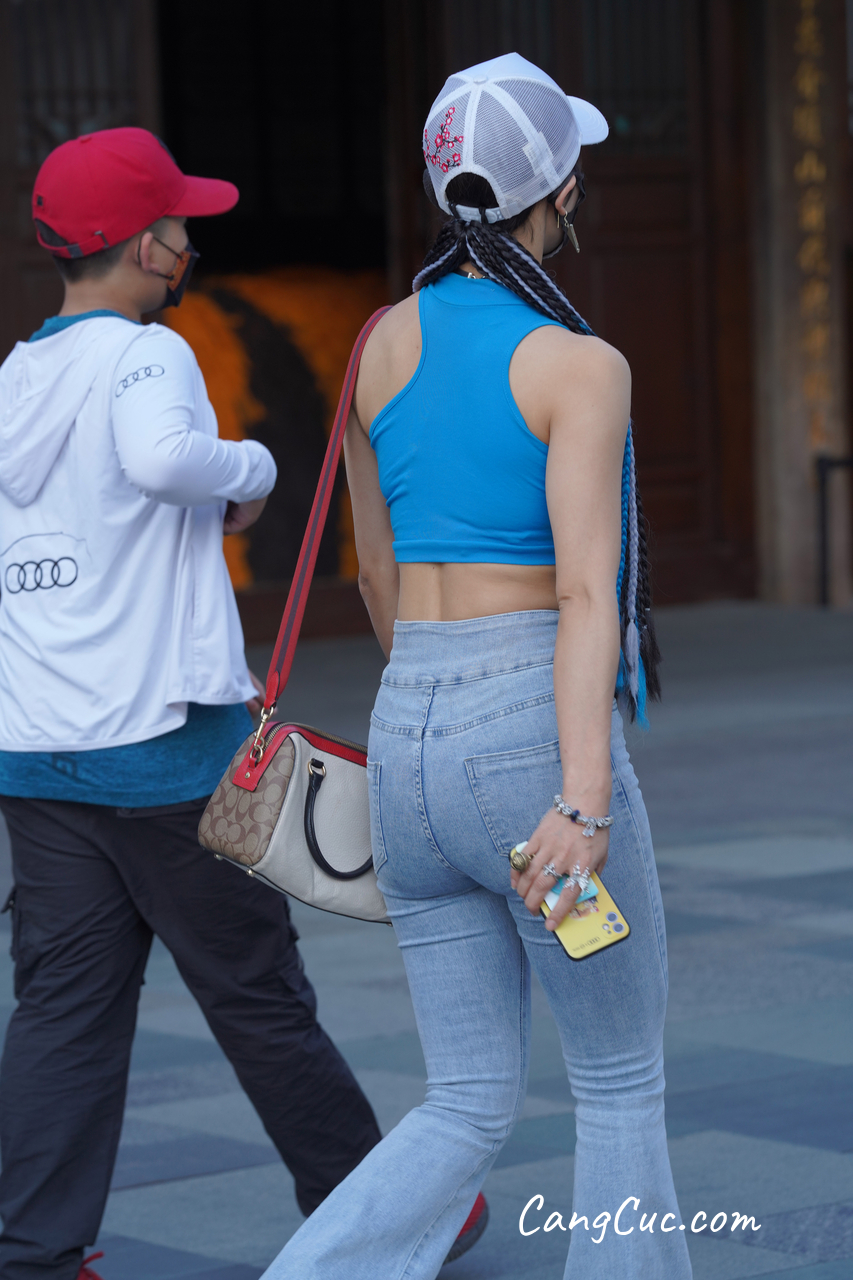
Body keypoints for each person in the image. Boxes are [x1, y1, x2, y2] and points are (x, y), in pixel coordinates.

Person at [261, 53, 691, 1280]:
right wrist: (579, 797)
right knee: (617, 1080)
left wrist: (441, 723)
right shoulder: (579, 364)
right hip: (529, 745)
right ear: (560, 192)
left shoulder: (377, 345)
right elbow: (586, 596)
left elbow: (375, 578)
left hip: (409, 734)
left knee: (461, 1098)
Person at [0, 127, 385, 1280]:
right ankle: (381, 1211)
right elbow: (167, 461)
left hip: (37, 751)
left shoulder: (17, 374)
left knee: (62, 1008)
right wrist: (253, 469)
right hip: (166, 748)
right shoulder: (148, 352)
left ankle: (34, 1250)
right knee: (256, 992)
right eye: (178, 223)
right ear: (141, 245)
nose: (189, 240)